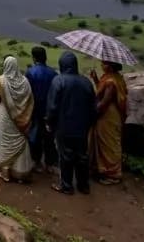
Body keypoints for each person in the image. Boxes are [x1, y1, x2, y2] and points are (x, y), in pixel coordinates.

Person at [45, 51, 96, 195]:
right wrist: (89, 124)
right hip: (82, 128)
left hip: (64, 127)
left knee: (65, 156)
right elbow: (93, 107)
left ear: (62, 65)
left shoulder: (58, 81)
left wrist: (49, 122)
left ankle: (67, 186)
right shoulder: (86, 82)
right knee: (82, 156)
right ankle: (83, 186)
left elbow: (52, 107)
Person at [0, 55, 35, 182]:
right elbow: (29, 101)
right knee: (20, 140)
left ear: (5, 66)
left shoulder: (0, 81)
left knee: (5, 143)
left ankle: (6, 174)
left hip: (5, 116)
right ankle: (21, 174)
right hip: (21, 120)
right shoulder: (25, 81)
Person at [91, 60, 128, 185]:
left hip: (108, 116)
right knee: (106, 143)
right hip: (111, 115)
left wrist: (93, 112)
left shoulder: (111, 81)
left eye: (105, 64)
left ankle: (113, 174)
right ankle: (104, 169)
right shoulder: (115, 78)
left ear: (111, 67)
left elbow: (104, 102)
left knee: (109, 145)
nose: (102, 65)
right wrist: (96, 79)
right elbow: (101, 91)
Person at [25, 46, 58, 171]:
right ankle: (49, 164)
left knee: (35, 136)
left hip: (34, 110)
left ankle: (36, 162)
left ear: (34, 58)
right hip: (49, 111)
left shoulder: (30, 72)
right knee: (49, 137)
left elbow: (27, 93)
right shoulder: (54, 73)